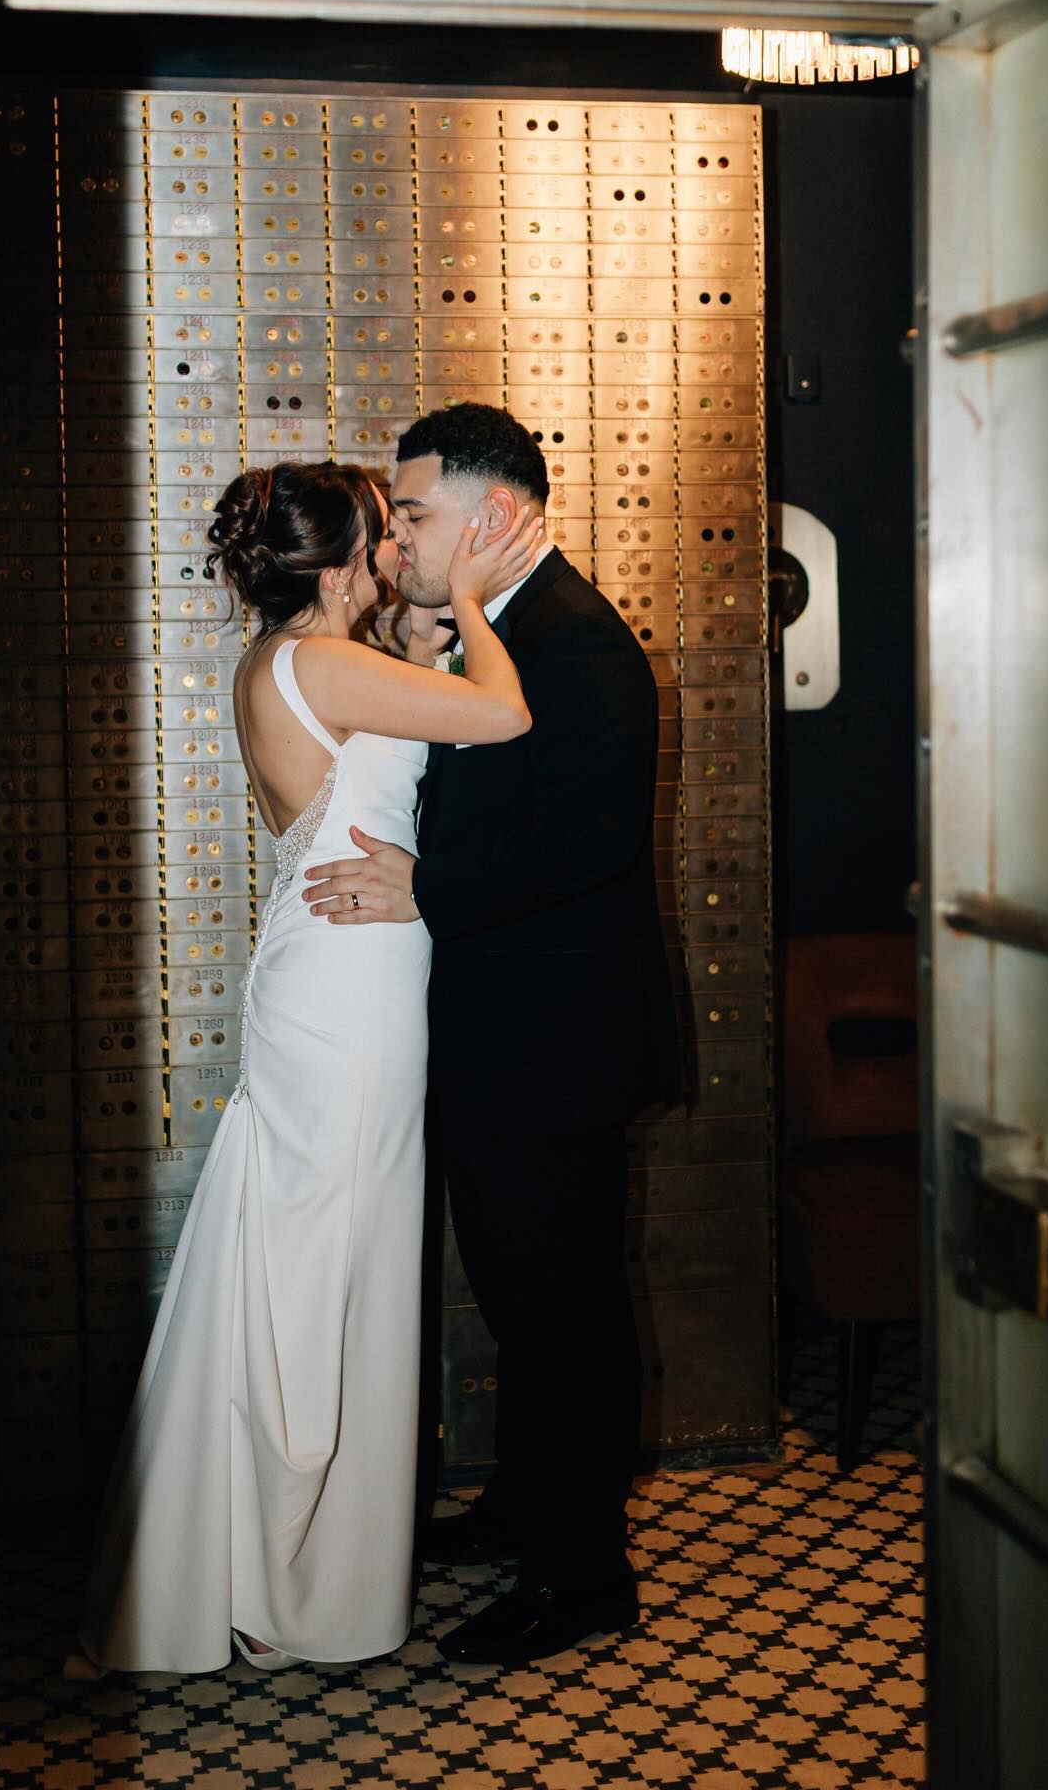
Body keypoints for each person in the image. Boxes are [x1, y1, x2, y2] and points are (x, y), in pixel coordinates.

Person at [66, 459, 543, 1677]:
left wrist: (425, 632)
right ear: (337, 568)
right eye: (383, 535)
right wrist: (473, 600)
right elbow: (501, 715)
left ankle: (270, 1560)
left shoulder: (292, 658)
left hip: (330, 976)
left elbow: (398, 715)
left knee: (307, 1256)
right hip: (351, 995)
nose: (396, 551)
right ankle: (289, 1579)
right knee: (330, 1264)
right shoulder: (329, 667)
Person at [302, 404, 679, 1667]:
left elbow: (587, 843)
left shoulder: (578, 644)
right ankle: (526, 1509)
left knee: (566, 1312)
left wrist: (424, 887)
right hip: (501, 1035)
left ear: (497, 514)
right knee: (524, 1299)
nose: (398, 538)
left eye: (415, 513)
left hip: (557, 1043)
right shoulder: (501, 630)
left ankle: (584, 1576)